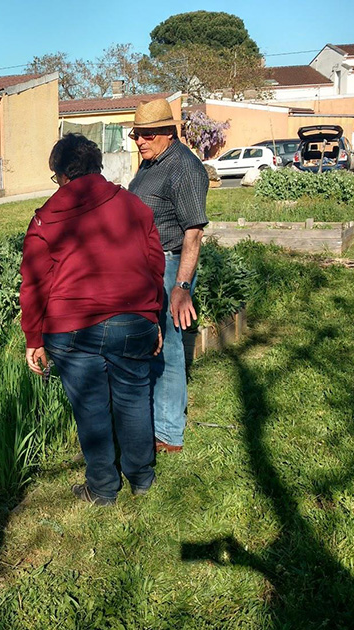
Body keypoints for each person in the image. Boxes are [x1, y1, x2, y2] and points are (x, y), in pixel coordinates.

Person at [21, 134, 165, 506]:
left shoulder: (45, 219)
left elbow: (35, 283)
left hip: (72, 327)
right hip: (133, 320)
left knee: (91, 407)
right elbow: (154, 264)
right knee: (134, 399)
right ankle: (142, 479)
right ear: (98, 167)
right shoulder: (134, 206)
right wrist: (154, 317)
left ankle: (102, 488)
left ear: (62, 174)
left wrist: (33, 339)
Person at [126, 98, 209, 454]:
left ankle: (170, 434)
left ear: (167, 132)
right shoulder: (151, 163)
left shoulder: (184, 169)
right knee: (153, 343)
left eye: (146, 135)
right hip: (146, 267)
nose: (139, 141)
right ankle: (155, 419)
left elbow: (193, 233)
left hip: (170, 266)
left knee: (171, 348)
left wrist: (181, 287)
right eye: (136, 135)